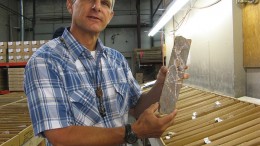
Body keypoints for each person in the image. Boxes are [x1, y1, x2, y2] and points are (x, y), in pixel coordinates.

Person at [24, 0, 188, 145]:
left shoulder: (116, 59)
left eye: (105, 3)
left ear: (110, 15)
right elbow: (60, 136)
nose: (97, 7)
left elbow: (137, 107)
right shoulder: (46, 61)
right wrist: (133, 131)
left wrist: (161, 84)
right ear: (70, 5)